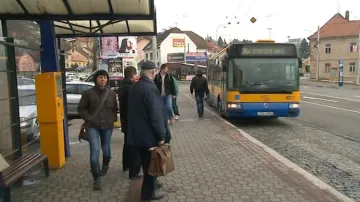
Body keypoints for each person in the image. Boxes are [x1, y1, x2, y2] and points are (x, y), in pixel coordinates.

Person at [127, 61, 168, 200]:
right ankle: (148, 194)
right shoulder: (150, 88)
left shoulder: (136, 87)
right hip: (148, 136)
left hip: (137, 135)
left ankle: (149, 190)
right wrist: (161, 135)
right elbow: (155, 114)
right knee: (151, 168)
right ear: (152, 72)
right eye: (155, 72)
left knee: (147, 166)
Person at [77, 70, 118, 190]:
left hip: (107, 126)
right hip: (93, 126)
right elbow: (81, 108)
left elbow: (115, 109)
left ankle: (105, 165)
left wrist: (113, 120)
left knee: (106, 149)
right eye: (100, 77)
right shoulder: (88, 93)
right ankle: (96, 178)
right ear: (96, 79)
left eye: (105, 77)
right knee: (94, 151)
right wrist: (88, 118)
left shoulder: (111, 94)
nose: (103, 80)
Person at [118, 66, 141, 179]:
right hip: (131, 120)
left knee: (127, 143)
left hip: (125, 119)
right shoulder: (131, 88)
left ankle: (125, 165)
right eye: (135, 74)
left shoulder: (123, 86)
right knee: (133, 145)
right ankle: (133, 169)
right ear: (133, 75)